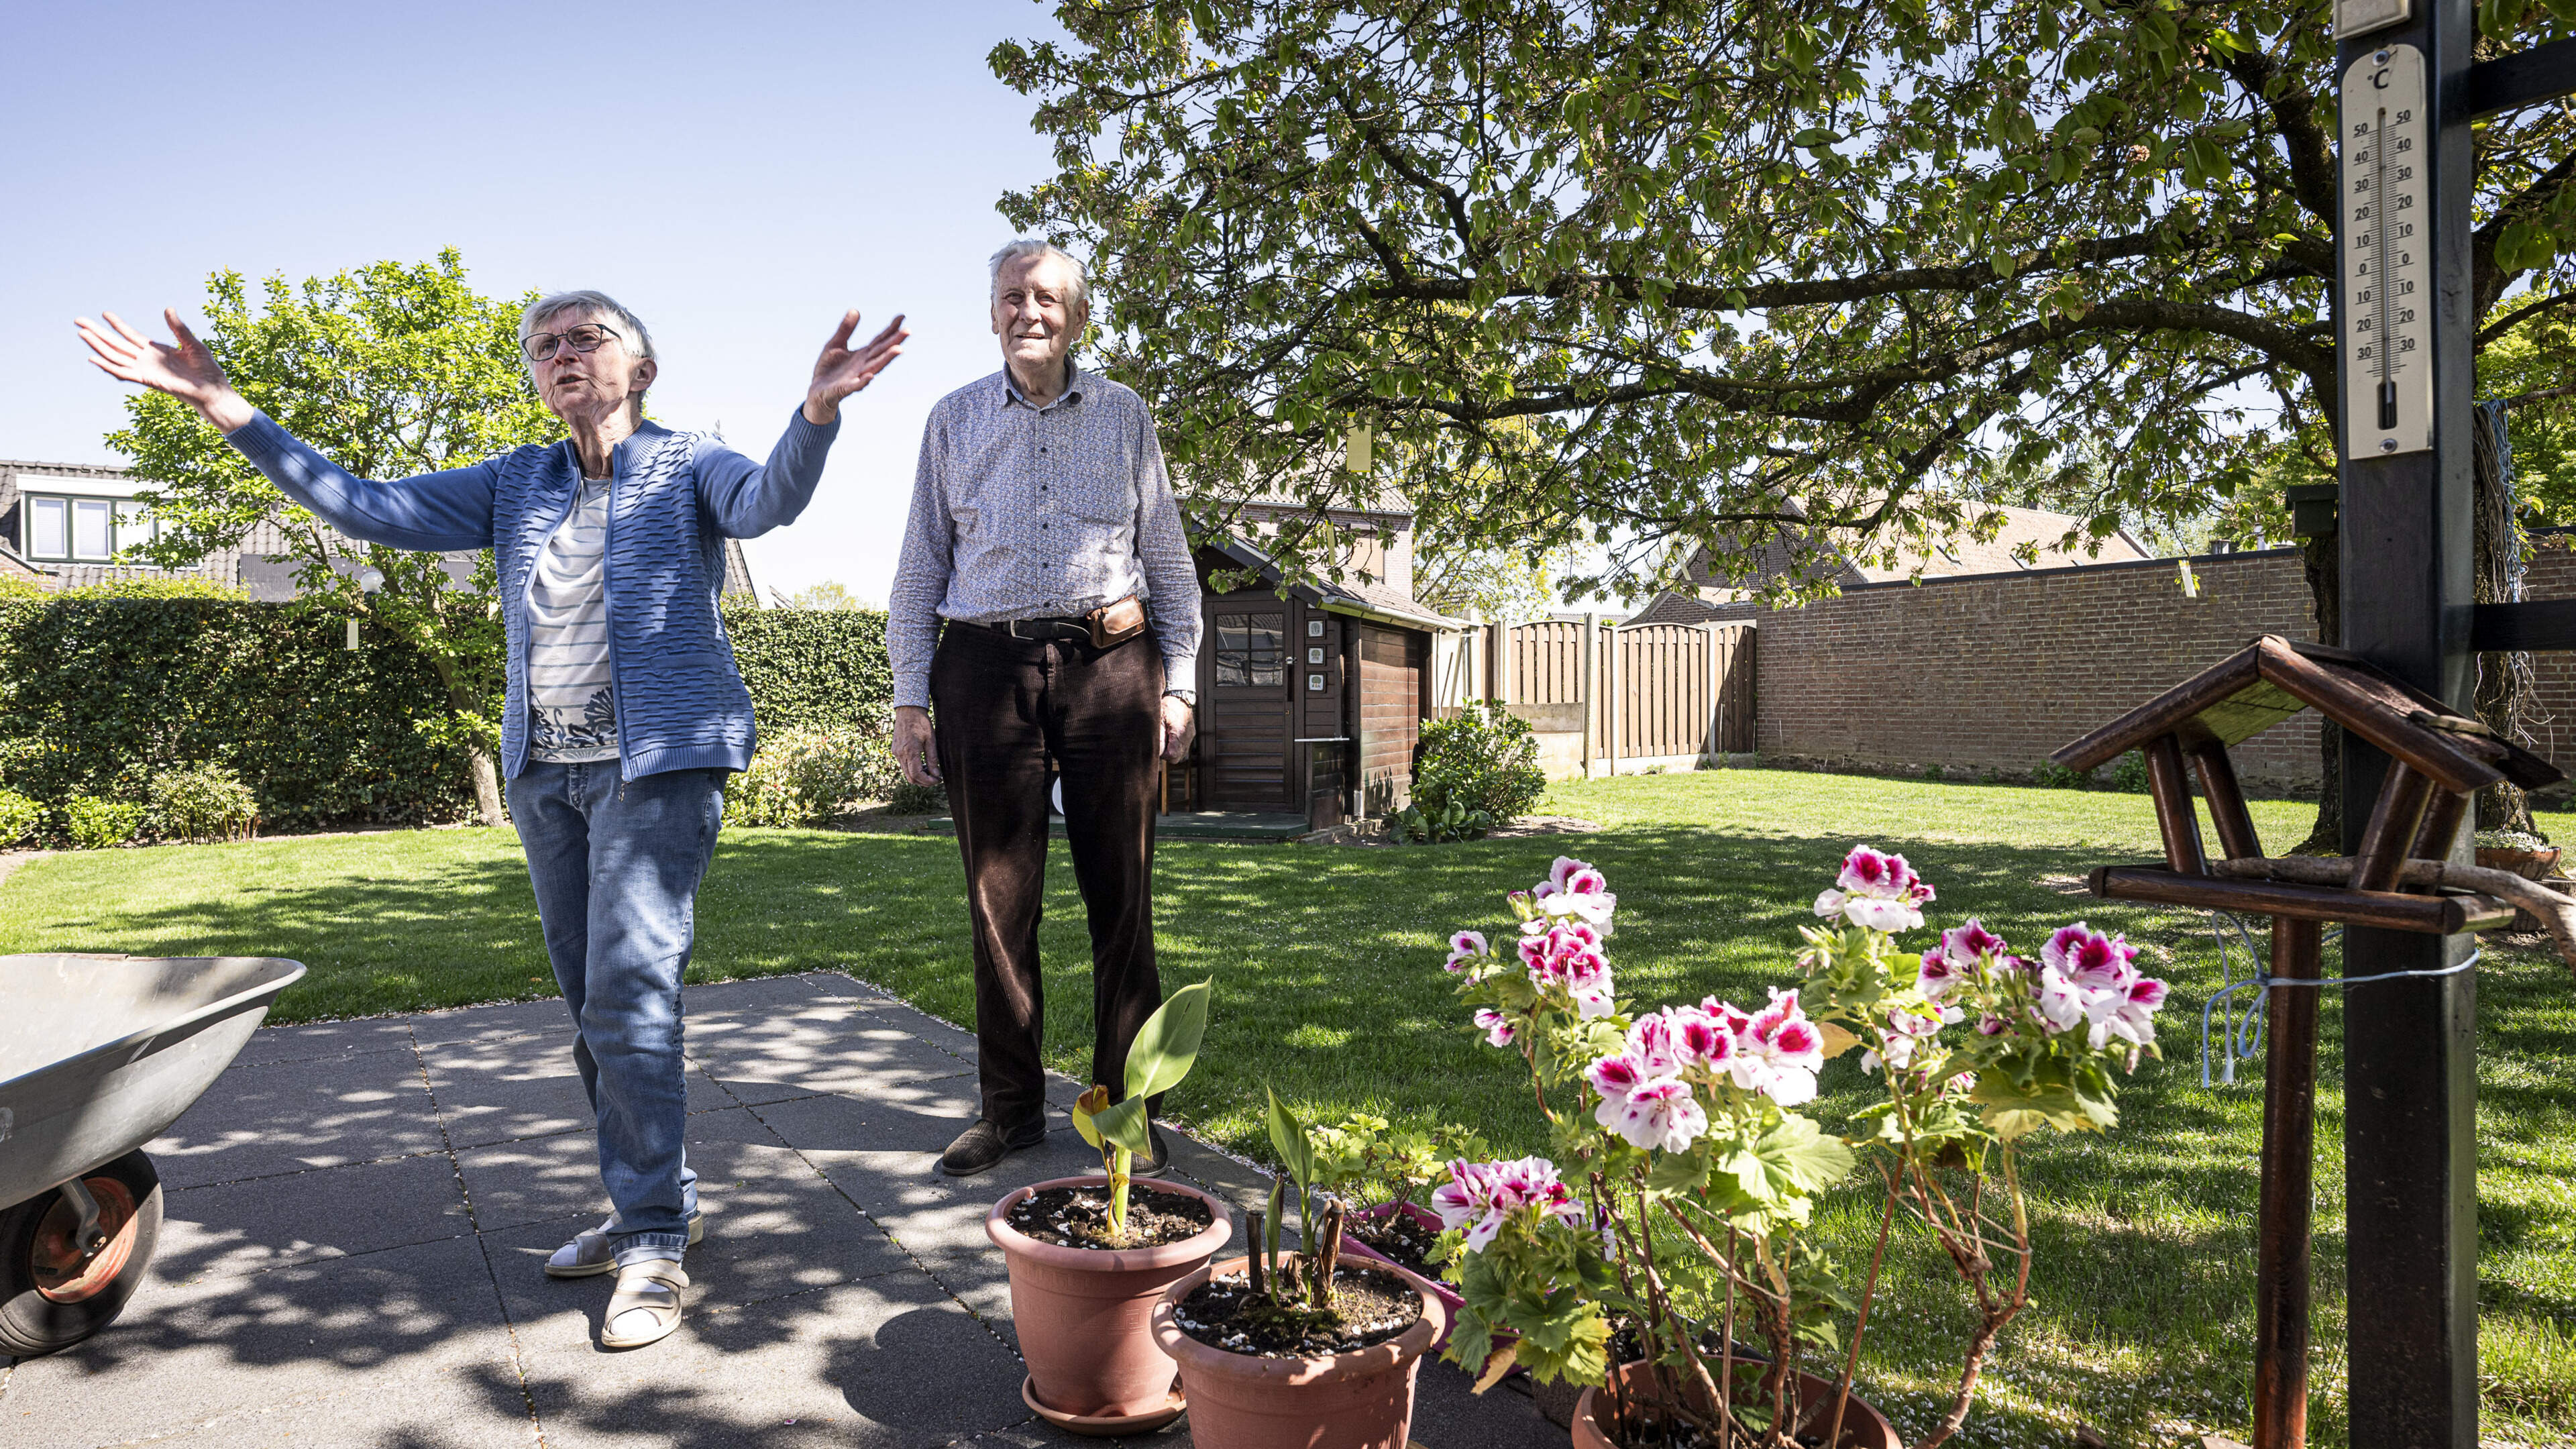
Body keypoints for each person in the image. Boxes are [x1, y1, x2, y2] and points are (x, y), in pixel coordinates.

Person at [77, 293, 905, 1349]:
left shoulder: (690, 463)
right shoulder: (520, 479)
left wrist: (818, 413)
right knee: (591, 1006)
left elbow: (766, 504)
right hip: (546, 777)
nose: (562, 354)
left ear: (641, 370)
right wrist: (226, 407)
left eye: (586, 338)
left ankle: (651, 1233)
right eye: (544, 345)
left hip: (655, 771)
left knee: (631, 995)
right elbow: (365, 507)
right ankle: (657, 1200)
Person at [889, 241, 1199, 1178]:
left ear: (1077, 316)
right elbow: (917, 574)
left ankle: (1124, 1112)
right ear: (992, 314)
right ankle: (1010, 1111)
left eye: (1049, 298)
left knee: (1123, 901)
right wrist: (911, 700)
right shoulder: (952, 421)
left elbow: (1171, 561)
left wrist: (1179, 680)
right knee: (999, 902)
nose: (1031, 310)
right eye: (1014, 297)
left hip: (1113, 667)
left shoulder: (1125, 415)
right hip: (984, 671)